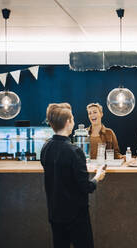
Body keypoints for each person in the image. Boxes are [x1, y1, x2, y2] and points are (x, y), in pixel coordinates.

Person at [41, 103, 106, 248]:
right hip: (76, 216)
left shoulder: (46, 147)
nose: (74, 122)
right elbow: (86, 187)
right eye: (73, 119)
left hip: (55, 213)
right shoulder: (74, 152)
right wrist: (98, 177)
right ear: (68, 122)